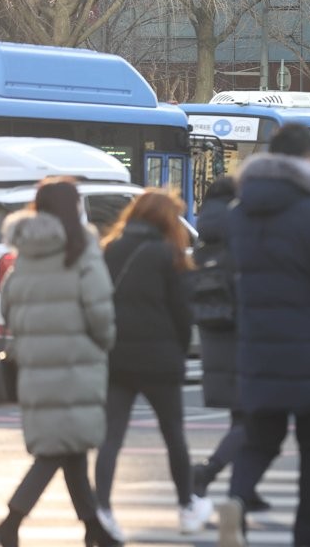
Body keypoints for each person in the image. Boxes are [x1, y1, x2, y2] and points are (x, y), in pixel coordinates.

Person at [218, 123, 310, 547]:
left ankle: (237, 500)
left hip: (258, 351)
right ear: (305, 160)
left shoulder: (240, 214)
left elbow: (230, 278)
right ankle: (304, 540)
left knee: (260, 439)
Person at [0, 179, 121, 547]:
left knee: (70, 450)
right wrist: (103, 344)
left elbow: (10, 307)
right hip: (78, 366)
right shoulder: (82, 252)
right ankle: (10, 521)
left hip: (36, 366)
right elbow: (101, 313)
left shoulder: (25, 255)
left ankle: (94, 529)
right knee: (58, 450)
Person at [95, 189, 212, 537]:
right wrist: (177, 351)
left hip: (117, 356)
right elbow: (182, 313)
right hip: (160, 358)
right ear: (165, 219)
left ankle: (101, 508)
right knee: (174, 435)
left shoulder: (108, 250)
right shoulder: (169, 254)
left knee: (111, 436)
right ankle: (186, 507)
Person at [189, 177, 270, 511]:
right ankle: (208, 472)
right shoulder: (240, 232)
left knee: (242, 417)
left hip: (213, 336)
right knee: (254, 420)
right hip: (244, 336)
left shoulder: (204, 237)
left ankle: (243, 490)